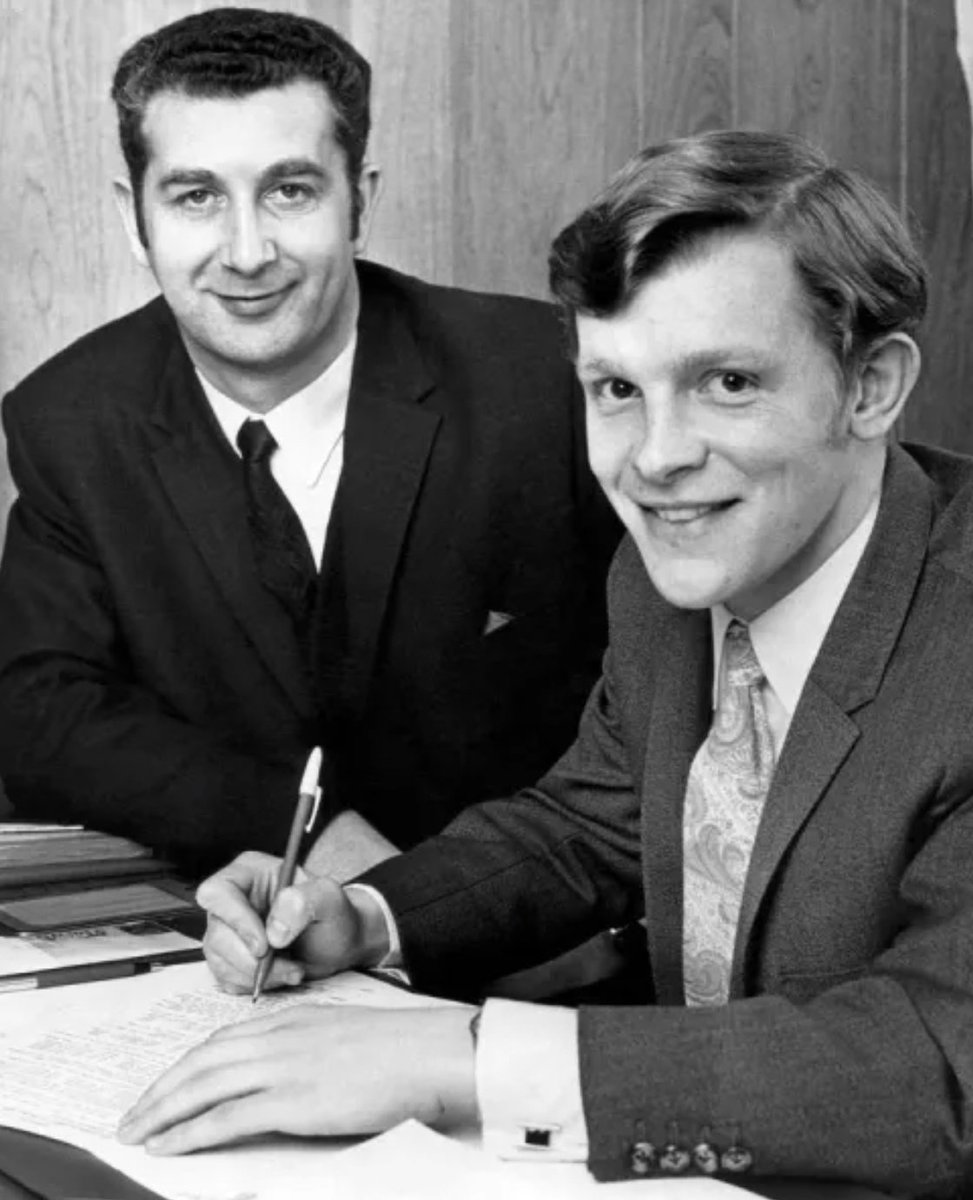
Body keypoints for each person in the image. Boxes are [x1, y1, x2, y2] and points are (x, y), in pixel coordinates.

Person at [116, 129, 973, 1195]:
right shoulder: (665, 577)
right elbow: (587, 827)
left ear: (872, 387)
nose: (654, 459)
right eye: (615, 390)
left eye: (728, 382)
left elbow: (943, 1070)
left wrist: (469, 1063)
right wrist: (364, 917)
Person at [0, 8, 619, 880]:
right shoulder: (68, 420)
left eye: (290, 190)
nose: (247, 252)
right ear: (132, 216)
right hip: (239, 938)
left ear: (360, 200)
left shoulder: (549, 382)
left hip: (550, 954)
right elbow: (39, 713)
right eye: (196, 196)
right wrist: (303, 834)